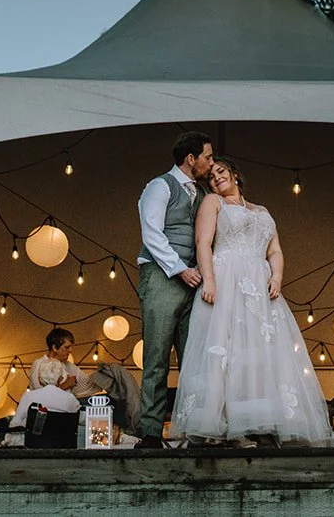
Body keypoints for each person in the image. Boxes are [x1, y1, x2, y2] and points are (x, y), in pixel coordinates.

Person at [168, 160, 332, 445]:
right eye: (211, 176)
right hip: (227, 278)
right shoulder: (213, 202)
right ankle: (223, 427)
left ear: (234, 174)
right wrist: (209, 279)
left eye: (221, 171)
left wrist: (277, 278)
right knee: (225, 348)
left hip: (260, 284)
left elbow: (276, 250)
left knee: (261, 354)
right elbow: (202, 242)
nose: (216, 177)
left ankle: (261, 422)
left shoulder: (262, 211)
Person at [134, 130, 215, 447]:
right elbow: (152, 232)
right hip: (162, 277)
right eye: (207, 157)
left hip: (192, 281)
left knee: (194, 359)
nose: (211, 163)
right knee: (156, 357)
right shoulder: (159, 186)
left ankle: (196, 430)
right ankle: (151, 433)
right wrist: (180, 269)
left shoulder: (202, 193)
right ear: (191, 158)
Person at [34, 326, 105, 400]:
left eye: (71, 347)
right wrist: (64, 386)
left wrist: (105, 376)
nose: (71, 350)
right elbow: (38, 395)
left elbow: (88, 383)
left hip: (67, 408)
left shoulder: (68, 365)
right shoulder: (38, 364)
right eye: (67, 347)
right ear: (55, 348)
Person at [12, 356, 82, 429]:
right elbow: (83, 418)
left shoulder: (28, 397)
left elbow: (15, 424)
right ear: (60, 379)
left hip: (34, 440)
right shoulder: (69, 399)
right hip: (61, 440)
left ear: (39, 379)